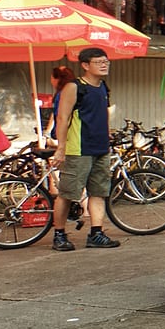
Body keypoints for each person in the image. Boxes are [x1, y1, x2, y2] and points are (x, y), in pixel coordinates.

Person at [50, 47, 119, 251]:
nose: (104, 64)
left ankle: (97, 233)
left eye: (106, 61)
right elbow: (62, 117)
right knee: (68, 193)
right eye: (99, 62)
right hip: (78, 148)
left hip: (100, 148)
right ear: (85, 65)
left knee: (98, 192)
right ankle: (59, 235)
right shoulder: (74, 87)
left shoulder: (103, 87)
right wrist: (61, 147)